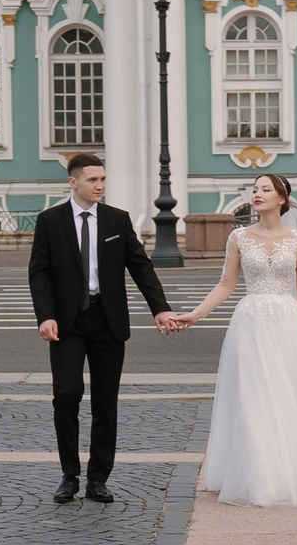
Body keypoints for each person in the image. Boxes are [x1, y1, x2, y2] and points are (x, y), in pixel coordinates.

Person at [177, 174, 297, 508]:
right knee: (253, 399)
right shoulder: (238, 237)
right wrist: (195, 313)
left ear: (282, 198)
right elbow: (225, 284)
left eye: (265, 189)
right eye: (254, 189)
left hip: (288, 324)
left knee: (289, 398)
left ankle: (293, 473)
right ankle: (259, 476)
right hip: (249, 324)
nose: (257, 194)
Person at [27, 155, 183, 505]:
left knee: (105, 401)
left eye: (103, 179)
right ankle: (69, 475)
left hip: (108, 320)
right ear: (73, 182)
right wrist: (45, 316)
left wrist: (160, 308)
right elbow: (39, 271)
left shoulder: (117, 219)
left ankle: (98, 478)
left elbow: (141, 266)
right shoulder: (50, 221)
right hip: (67, 322)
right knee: (66, 395)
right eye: (93, 180)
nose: (100, 185)